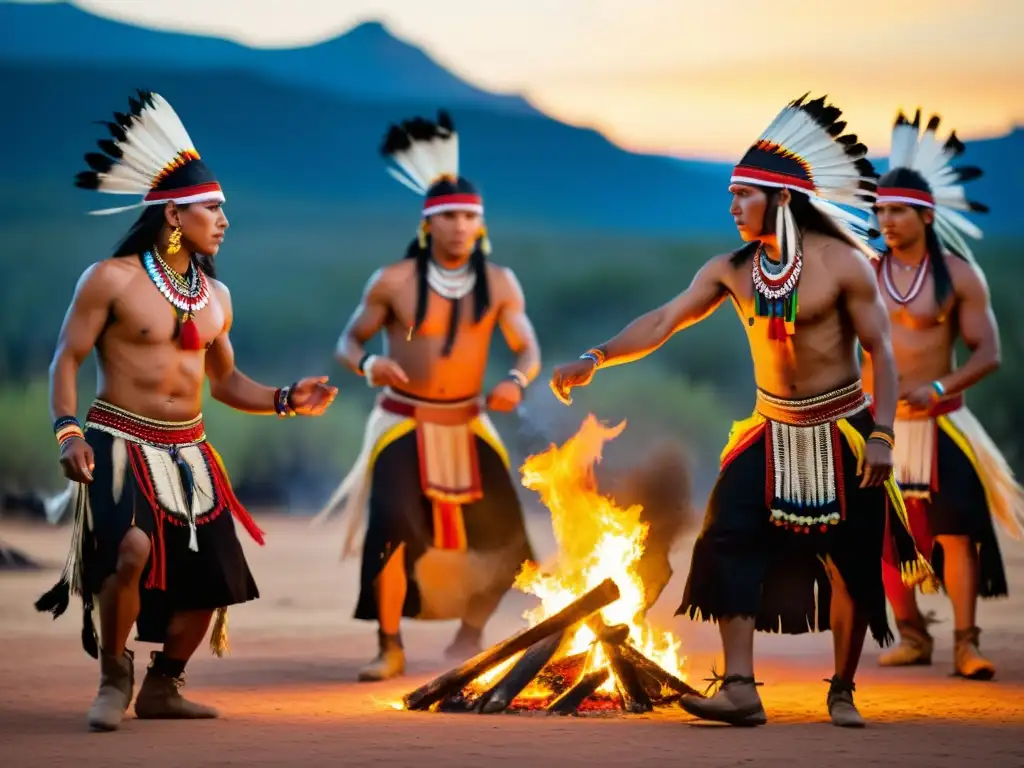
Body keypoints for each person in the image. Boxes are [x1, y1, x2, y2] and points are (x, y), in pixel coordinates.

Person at [550, 94, 930, 728]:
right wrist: (596, 356)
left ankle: (841, 689)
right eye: (730, 197)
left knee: (851, 561)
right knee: (726, 536)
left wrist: (884, 436)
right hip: (768, 428)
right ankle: (739, 688)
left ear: (780, 199)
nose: (731, 209)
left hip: (844, 428)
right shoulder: (730, 270)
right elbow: (665, 320)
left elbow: (881, 354)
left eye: (742, 198)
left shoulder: (844, 265)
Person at [35, 91, 338, 732]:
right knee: (132, 550)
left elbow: (226, 383)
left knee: (212, 581)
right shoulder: (109, 279)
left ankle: (164, 686)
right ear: (174, 214)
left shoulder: (217, 295)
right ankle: (113, 676)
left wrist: (287, 399)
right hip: (117, 439)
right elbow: (65, 359)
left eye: (222, 208)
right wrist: (67, 433)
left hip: (191, 450)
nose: (224, 220)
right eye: (211, 209)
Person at [313, 111, 541, 682]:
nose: (461, 227)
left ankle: (471, 633)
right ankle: (389, 646)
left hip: (469, 422)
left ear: (481, 224)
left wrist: (515, 382)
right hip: (401, 422)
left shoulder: (502, 282)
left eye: (470, 217)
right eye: (450, 218)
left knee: (508, 536)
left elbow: (527, 349)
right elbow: (348, 340)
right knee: (391, 526)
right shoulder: (391, 280)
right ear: (428, 225)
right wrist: (369, 362)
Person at [867, 110, 1024, 679]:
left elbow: (989, 354)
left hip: (943, 423)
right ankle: (912, 636)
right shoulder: (864, 272)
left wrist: (940, 386)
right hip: (879, 425)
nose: (885, 219)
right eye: (879, 209)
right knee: (885, 537)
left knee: (959, 532)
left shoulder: (960, 276)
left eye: (897, 210)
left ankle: (966, 643)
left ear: (925, 215)